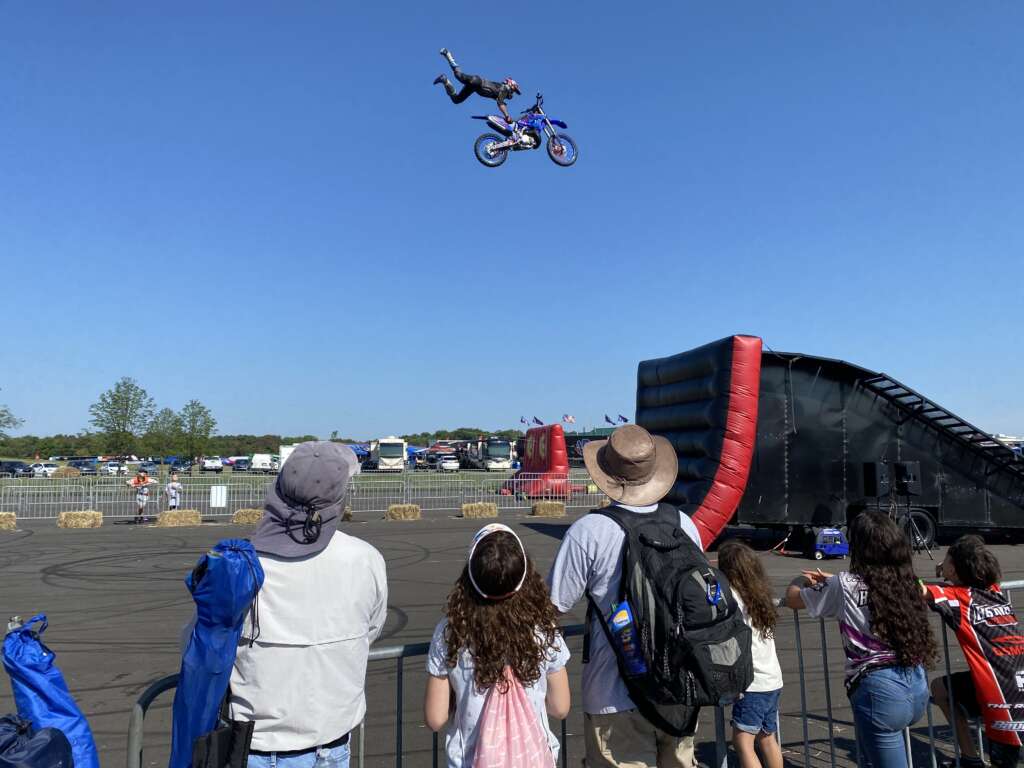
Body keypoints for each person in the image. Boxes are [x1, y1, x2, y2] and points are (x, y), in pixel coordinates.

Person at [547, 423, 703, 768]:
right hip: (680, 687)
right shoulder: (684, 524)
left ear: (607, 473)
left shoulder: (589, 531)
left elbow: (551, 606)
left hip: (613, 692)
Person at [231, 441, 387, 768]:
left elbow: (201, 643)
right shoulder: (366, 559)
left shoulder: (239, 563)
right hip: (329, 742)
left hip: (257, 743)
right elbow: (371, 628)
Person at [785, 511, 936, 768]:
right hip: (915, 681)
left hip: (879, 690)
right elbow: (877, 586)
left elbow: (793, 598)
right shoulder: (911, 581)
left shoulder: (845, 585)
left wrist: (803, 580)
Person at [424, 523, 570, 767]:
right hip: (533, 757)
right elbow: (560, 707)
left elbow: (435, 718)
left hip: (468, 759)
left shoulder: (451, 632)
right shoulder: (544, 630)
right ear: (524, 575)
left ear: (470, 575)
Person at [923, 535, 1024, 768]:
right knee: (940, 687)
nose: (942, 562)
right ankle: (970, 758)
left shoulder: (957, 597)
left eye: (946, 558)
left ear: (957, 569)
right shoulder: (994, 591)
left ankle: (971, 758)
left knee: (1005, 760)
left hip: (1001, 695)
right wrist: (948, 570)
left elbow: (917, 589)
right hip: (1016, 678)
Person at [718, 541, 783, 768]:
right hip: (773, 679)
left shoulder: (732, 597)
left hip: (753, 684)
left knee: (743, 741)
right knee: (767, 739)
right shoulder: (760, 596)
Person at [433, 48, 520, 127]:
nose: (512, 93)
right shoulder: (504, 88)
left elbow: (501, 102)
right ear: (510, 85)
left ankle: (445, 81)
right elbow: (500, 103)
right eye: (514, 90)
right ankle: (448, 54)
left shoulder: (500, 92)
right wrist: (507, 116)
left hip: (475, 87)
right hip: (477, 82)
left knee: (456, 100)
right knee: (458, 75)